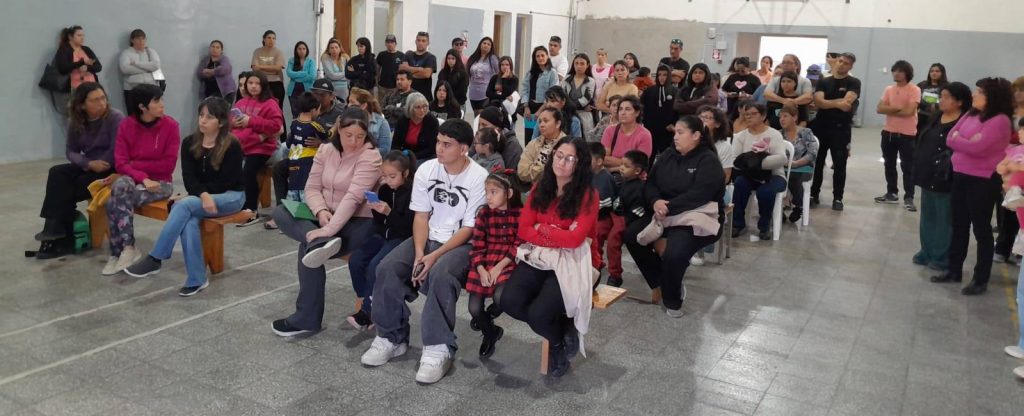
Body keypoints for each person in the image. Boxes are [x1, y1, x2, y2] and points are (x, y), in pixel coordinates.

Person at [361, 119, 488, 385]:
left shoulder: (479, 177)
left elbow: (469, 229)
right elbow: (421, 216)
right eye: (438, 142)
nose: (439, 148)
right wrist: (420, 253)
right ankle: (391, 337)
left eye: (447, 144)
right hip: (428, 237)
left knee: (441, 273)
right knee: (388, 267)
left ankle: (438, 347)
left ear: (463, 148)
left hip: (461, 243)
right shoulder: (427, 169)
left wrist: (433, 257)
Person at [271, 107, 382, 336]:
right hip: (326, 214)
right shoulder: (326, 150)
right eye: (348, 135)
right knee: (282, 211)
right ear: (339, 130)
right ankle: (319, 243)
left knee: (307, 248)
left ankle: (306, 318)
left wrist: (328, 230)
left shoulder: (371, 157)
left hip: (358, 221)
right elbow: (312, 187)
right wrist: (321, 212)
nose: (354, 142)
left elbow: (353, 198)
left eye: (360, 136)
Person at [124, 97, 244, 296]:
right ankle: (197, 279)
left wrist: (201, 195)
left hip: (231, 196)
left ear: (221, 122)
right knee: (188, 219)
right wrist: (201, 195)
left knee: (184, 205)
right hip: (199, 198)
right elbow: (189, 179)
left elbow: (227, 181)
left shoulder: (232, 145)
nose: (203, 120)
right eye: (201, 115)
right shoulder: (189, 142)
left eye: (209, 117)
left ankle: (156, 258)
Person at [501, 137, 601, 377]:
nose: (561, 162)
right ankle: (562, 333)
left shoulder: (588, 195)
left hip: (576, 261)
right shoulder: (541, 187)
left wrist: (542, 229)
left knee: (539, 314)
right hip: (541, 256)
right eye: (559, 155)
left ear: (579, 164)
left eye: (570, 159)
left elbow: (575, 240)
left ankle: (556, 344)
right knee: (509, 302)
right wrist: (556, 234)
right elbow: (524, 230)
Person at [625, 116, 724, 317]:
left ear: (696, 135)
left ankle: (672, 299)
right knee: (631, 236)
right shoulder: (668, 154)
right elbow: (651, 183)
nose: (675, 137)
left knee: (675, 253)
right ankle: (662, 282)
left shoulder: (708, 160)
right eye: (675, 132)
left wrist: (669, 206)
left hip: (694, 214)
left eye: (681, 132)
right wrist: (655, 201)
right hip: (663, 211)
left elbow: (701, 194)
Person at [931, 77, 1014, 295]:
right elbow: (950, 138)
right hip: (960, 174)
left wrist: (963, 141)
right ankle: (954, 270)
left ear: (992, 96)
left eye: (979, 92)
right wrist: (967, 141)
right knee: (959, 224)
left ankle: (980, 278)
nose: (974, 95)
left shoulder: (1000, 120)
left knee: (981, 229)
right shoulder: (971, 113)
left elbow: (979, 148)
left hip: (983, 179)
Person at [34, 83, 122, 258]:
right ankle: (58, 232)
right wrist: (88, 163)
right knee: (57, 172)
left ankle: (56, 234)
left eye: (103, 98)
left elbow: (116, 149)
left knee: (68, 188)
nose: (101, 103)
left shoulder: (115, 117)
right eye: (95, 100)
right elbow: (71, 151)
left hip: (110, 168)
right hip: (90, 165)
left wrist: (100, 163)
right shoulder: (75, 120)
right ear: (82, 105)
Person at [102, 84, 179, 275]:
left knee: (113, 200)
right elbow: (121, 163)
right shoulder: (126, 125)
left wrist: (134, 164)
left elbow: (167, 166)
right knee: (121, 186)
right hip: (134, 180)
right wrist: (142, 177)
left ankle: (121, 249)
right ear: (142, 107)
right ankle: (125, 249)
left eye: (161, 99)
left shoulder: (171, 126)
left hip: (160, 183)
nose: (162, 104)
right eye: (156, 101)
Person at [346, 149, 416, 330]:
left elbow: (407, 228)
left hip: (400, 238)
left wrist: (389, 212)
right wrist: (376, 209)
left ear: (405, 173)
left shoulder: (413, 193)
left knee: (375, 266)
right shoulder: (384, 190)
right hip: (382, 234)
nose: (387, 181)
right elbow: (379, 222)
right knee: (355, 260)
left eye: (392, 176)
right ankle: (367, 300)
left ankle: (367, 313)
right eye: (384, 176)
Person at [913, 82, 970, 273]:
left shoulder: (964, 121)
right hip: (928, 173)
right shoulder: (937, 116)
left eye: (946, 97)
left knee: (944, 218)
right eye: (941, 96)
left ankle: (941, 256)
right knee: (928, 215)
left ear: (959, 102)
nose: (941, 100)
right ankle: (926, 250)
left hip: (947, 176)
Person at [466, 170, 523, 357]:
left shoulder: (520, 214)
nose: (488, 197)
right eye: (486, 192)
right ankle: (490, 332)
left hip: (508, 261)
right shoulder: (483, 214)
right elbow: (477, 246)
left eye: (493, 192)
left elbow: (519, 245)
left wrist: (499, 267)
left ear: (509, 193)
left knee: (501, 297)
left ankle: (491, 314)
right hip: (485, 260)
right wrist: (481, 269)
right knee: (474, 308)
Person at [231, 71, 285, 225]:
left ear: (263, 85)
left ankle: (251, 209)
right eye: (250, 83)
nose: (253, 86)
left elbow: (275, 126)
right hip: (242, 145)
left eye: (257, 83)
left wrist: (251, 121)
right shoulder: (240, 103)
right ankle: (234, 203)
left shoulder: (270, 104)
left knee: (248, 170)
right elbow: (230, 125)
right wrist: (233, 123)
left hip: (262, 147)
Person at [810, 52, 861, 212]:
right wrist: (837, 103)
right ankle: (813, 194)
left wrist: (827, 102)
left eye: (846, 63)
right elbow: (818, 102)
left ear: (851, 66)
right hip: (821, 127)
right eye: (840, 61)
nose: (841, 64)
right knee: (817, 163)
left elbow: (847, 102)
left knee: (840, 165)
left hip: (841, 129)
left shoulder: (854, 82)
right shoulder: (823, 81)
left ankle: (838, 197)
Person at [731, 101, 788, 241]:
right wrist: (757, 161)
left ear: (763, 116)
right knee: (739, 184)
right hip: (750, 175)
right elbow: (735, 161)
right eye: (746, 114)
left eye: (753, 114)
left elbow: (781, 159)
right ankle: (738, 224)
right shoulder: (741, 136)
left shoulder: (774, 134)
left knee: (765, 191)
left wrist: (753, 161)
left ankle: (764, 226)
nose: (749, 117)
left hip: (774, 175)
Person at [874, 60, 921, 210]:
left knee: (908, 166)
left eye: (900, 71)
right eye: (894, 71)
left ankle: (909, 197)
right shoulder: (889, 89)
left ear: (907, 73)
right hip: (888, 133)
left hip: (907, 135)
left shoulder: (914, 89)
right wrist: (899, 108)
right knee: (889, 164)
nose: (896, 73)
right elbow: (879, 109)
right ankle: (891, 193)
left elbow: (909, 112)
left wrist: (890, 108)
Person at [778, 105, 818, 224]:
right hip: (784, 167)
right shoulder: (778, 134)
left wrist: (796, 164)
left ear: (794, 117)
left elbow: (812, 153)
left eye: (785, 116)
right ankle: (778, 207)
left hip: (803, 167)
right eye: (780, 117)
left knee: (794, 177)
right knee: (776, 177)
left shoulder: (806, 132)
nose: (782, 119)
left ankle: (797, 206)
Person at [601, 95, 653, 170]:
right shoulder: (609, 130)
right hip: (611, 175)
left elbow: (639, 164)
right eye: (620, 109)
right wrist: (627, 164)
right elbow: (603, 158)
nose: (623, 113)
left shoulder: (644, 135)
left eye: (627, 109)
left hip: (633, 176)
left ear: (637, 113)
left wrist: (613, 168)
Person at [519, 108, 568, 184]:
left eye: (546, 121)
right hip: (536, 188)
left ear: (558, 124)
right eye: (540, 122)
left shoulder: (568, 145)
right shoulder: (533, 144)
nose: (541, 125)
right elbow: (522, 172)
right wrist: (542, 166)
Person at [520, 46, 560, 141]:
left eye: (542, 55)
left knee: (541, 135)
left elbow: (552, 94)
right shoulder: (530, 73)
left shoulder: (552, 73)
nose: (540, 58)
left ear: (547, 56)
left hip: (545, 107)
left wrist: (540, 111)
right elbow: (525, 89)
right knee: (529, 136)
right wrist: (526, 107)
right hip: (530, 108)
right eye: (537, 56)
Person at [118, 29, 162, 111]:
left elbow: (156, 65)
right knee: (134, 114)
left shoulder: (150, 51)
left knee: (152, 113)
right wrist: (148, 69)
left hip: (151, 88)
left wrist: (137, 64)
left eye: (143, 39)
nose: (141, 41)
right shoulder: (126, 53)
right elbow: (125, 69)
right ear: (132, 40)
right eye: (138, 39)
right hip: (132, 89)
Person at [642, 65, 680, 156]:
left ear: (669, 76)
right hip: (650, 130)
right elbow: (642, 108)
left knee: (667, 157)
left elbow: (678, 110)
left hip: (668, 131)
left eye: (665, 75)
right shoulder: (649, 91)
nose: (662, 77)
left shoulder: (676, 91)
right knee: (649, 156)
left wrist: (674, 124)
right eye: (659, 74)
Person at [392, 92, 439, 161]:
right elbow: (395, 144)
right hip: (405, 155)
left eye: (424, 106)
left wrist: (413, 157)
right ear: (410, 108)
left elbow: (432, 148)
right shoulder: (402, 120)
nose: (422, 110)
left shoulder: (431, 121)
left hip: (425, 156)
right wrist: (400, 156)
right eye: (418, 107)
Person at [348, 87, 392, 156]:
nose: (349, 105)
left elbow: (385, 150)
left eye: (352, 102)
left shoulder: (381, 123)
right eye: (349, 102)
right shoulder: (347, 121)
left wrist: (363, 152)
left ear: (363, 106)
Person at [55, 26, 101, 91]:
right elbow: (63, 69)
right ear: (70, 37)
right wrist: (82, 62)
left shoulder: (86, 49)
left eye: (83, 35)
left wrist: (87, 68)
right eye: (79, 35)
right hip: (76, 87)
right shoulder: (64, 50)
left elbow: (99, 67)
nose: (82, 38)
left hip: (92, 85)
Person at [561, 53, 597, 136]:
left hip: (584, 115)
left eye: (582, 64)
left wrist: (570, 105)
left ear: (587, 65)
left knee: (584, 139)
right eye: (576, 63)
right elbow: (562, 97)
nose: (579, 66)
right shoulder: (566, 79)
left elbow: (585, 100)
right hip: (567, 114)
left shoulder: (591, 81)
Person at [251, 30, 286, 112]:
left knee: (277, 109)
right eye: (269, 38)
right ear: (264, 39)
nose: (271, 40)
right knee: (262, 108)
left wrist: (260, 67)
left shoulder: (278, 52)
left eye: (274, 38)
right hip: (261, 82)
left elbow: (278, 68)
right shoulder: (257, 51)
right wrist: (272, 68)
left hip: (276, 83)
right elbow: (255, 68)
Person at [466, 37, 500, 115]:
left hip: (485, 93)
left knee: (482, 116)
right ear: (480, 45)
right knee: (476, 116)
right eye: (484, 43)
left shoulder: (492, 58)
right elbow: (468, 73)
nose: (486, 45)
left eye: (488, 44)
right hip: (473, 93)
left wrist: (497, 86)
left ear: (491, 47)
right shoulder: (473, 57)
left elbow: (499, 73)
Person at [401, 31, 438, 101]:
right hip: (408, 96)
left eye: (423, 41)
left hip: (424, 97)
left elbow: (426, 74)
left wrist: (409, 71)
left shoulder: (431, 57)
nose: (420, 43)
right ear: (415, 42)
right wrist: (419, 69)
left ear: (428, 43)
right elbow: (402, 70)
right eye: (419, 40)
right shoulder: (408, 54)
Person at [286, 41, 317, 118]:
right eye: (299, 49)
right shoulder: (291, 60)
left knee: (307, 113)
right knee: (295, 113)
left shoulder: (311, 61)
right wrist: (304, 73)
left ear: (307, 50)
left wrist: (296, 77)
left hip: (307, 91)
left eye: (304, 49)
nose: (302, 51)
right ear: (296, 50)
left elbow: (312, 76)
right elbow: (289, 73)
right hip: (293, 91)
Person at [917, 63, 948, 135]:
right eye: (932, 71)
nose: (934, 73)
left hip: (937, 117)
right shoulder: (922, 84)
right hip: (921, 116)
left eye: (937, 71)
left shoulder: (946, 86)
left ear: (942, 73)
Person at [376, 34, 404, 105]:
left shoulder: (401, 55)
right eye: (388, 42)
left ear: (395, 44)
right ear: (385, 44)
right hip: (382, 86)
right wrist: (376, 82)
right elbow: (377, 69)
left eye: (392, 42)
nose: (390, 44)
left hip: (395, 87)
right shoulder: (381, 55)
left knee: (393, 105)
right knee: (381, 105)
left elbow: (403, 71)